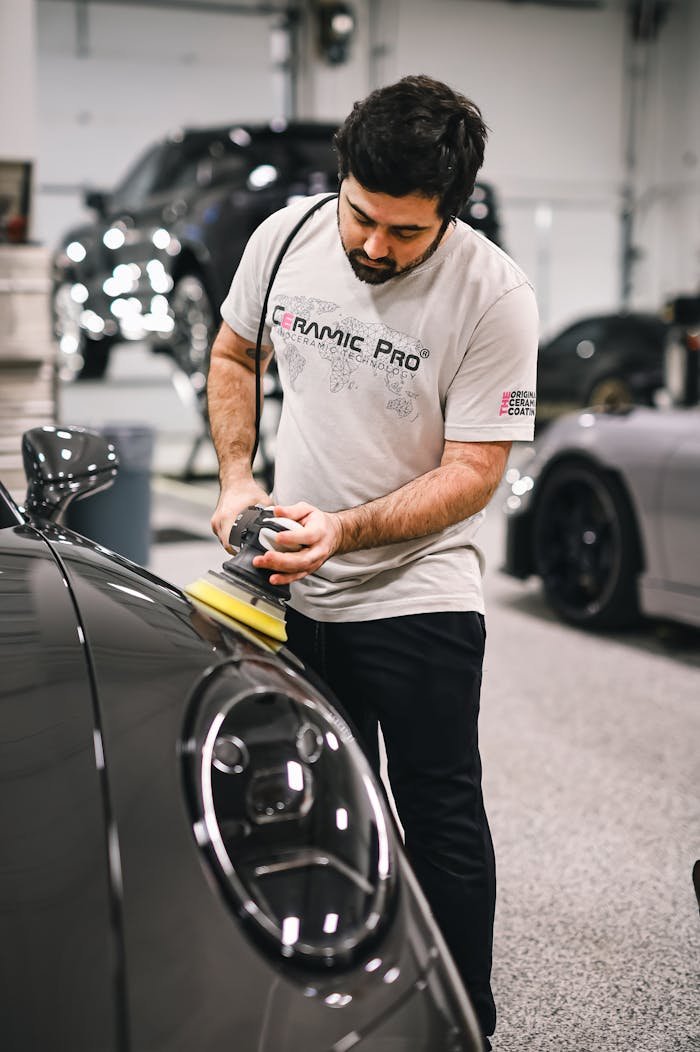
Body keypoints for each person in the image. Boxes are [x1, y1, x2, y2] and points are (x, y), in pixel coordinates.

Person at [208, 74, 538, 1049]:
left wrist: (345, 530)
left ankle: (460, 1020)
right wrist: (237, 478)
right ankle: (327, 1002)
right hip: (289, 583)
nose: (371, 245)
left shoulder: (492, 294)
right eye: (362, 216)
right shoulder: (288, 236)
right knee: (307, 801)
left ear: (451, 209)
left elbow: (475, 468)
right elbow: (233, 356)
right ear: (341, 180)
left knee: (437, 814)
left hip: (418, 590)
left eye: (404, 231)